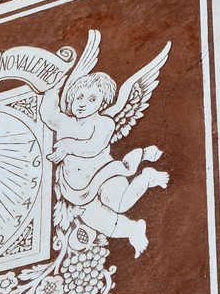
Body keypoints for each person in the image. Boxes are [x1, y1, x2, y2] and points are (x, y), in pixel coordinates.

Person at [39, 71, 168, 253]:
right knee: (97, 221)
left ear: (102, 103)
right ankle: (133, 229)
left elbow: (94, 146)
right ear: (71, 98)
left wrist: (68, 145)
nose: (83, 103)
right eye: (80, 97)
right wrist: (52, 90)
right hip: (77, 188)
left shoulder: (104, 123)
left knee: (120, 203)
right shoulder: (64, 122)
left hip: (103, 174)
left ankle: (147, 177)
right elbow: (48, 114)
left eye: (92, 99)